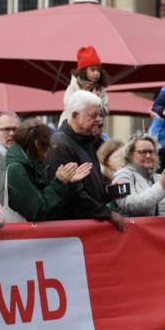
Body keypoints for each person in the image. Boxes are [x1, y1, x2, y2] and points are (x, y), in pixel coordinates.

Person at [46, 91, 124, 231]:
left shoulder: (86, 141)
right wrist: (107, 213)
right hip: (70, 230)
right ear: (75, 115)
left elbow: (90, 186)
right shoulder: (60, 144)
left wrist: (109, 190)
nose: (99, 120)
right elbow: (73, 195)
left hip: (85, 227)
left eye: (100, 115)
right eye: (94, 115)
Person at [4, 119, 92, 222]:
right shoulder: (16, 168)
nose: (49, 151)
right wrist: (59, 182)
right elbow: (38, 210)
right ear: (37, 144)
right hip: (21, 236)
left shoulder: (29, 162)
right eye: (47, 146)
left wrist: (67, 183)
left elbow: (45, 200)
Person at [112, 134, 165, 217]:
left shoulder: (159, 178)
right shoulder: (122, 175)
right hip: (137, 229)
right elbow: (130, 206)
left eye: (151, 152)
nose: (148, 156)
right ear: (131, 155)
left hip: (164, 229)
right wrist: (160, 187)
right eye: (143, 152)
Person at [60, 46, 109, 128]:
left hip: (92, 129)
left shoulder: (100, 89)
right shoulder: (73, 87)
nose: (96, 73)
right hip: (71, 128)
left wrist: (98, 102)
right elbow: (69, 107)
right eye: (93, 70)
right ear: (84, 71)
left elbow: (106, 110)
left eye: (98, 70)